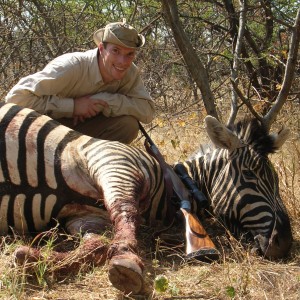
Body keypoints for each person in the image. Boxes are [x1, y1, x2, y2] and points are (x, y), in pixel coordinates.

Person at [5, 21, 155, 144]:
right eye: (115, 51)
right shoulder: (71, 66)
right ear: (102, 48)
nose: (122, 62)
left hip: (81, 133)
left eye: (129, 54)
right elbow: (15, 98)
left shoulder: (129, 72)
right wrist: (73, 107)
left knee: (127, 126)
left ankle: (92, 170)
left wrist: (104, 101)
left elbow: (147, 112)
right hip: (46, 132)